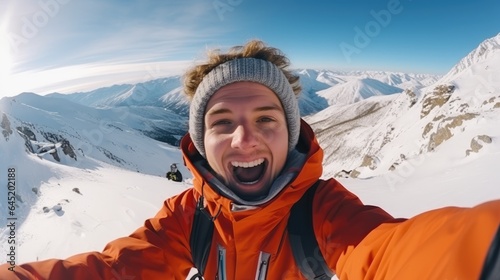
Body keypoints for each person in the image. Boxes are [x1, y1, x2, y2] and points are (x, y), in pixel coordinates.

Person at [1, 40, 499, 280]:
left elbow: (388, 250)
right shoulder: (187, 217)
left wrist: (482, 253)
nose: (245, 138)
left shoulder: (322, 213)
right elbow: (113, 271)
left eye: (266, 119)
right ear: (200, 141)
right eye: (222, 122)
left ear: (290, 132)